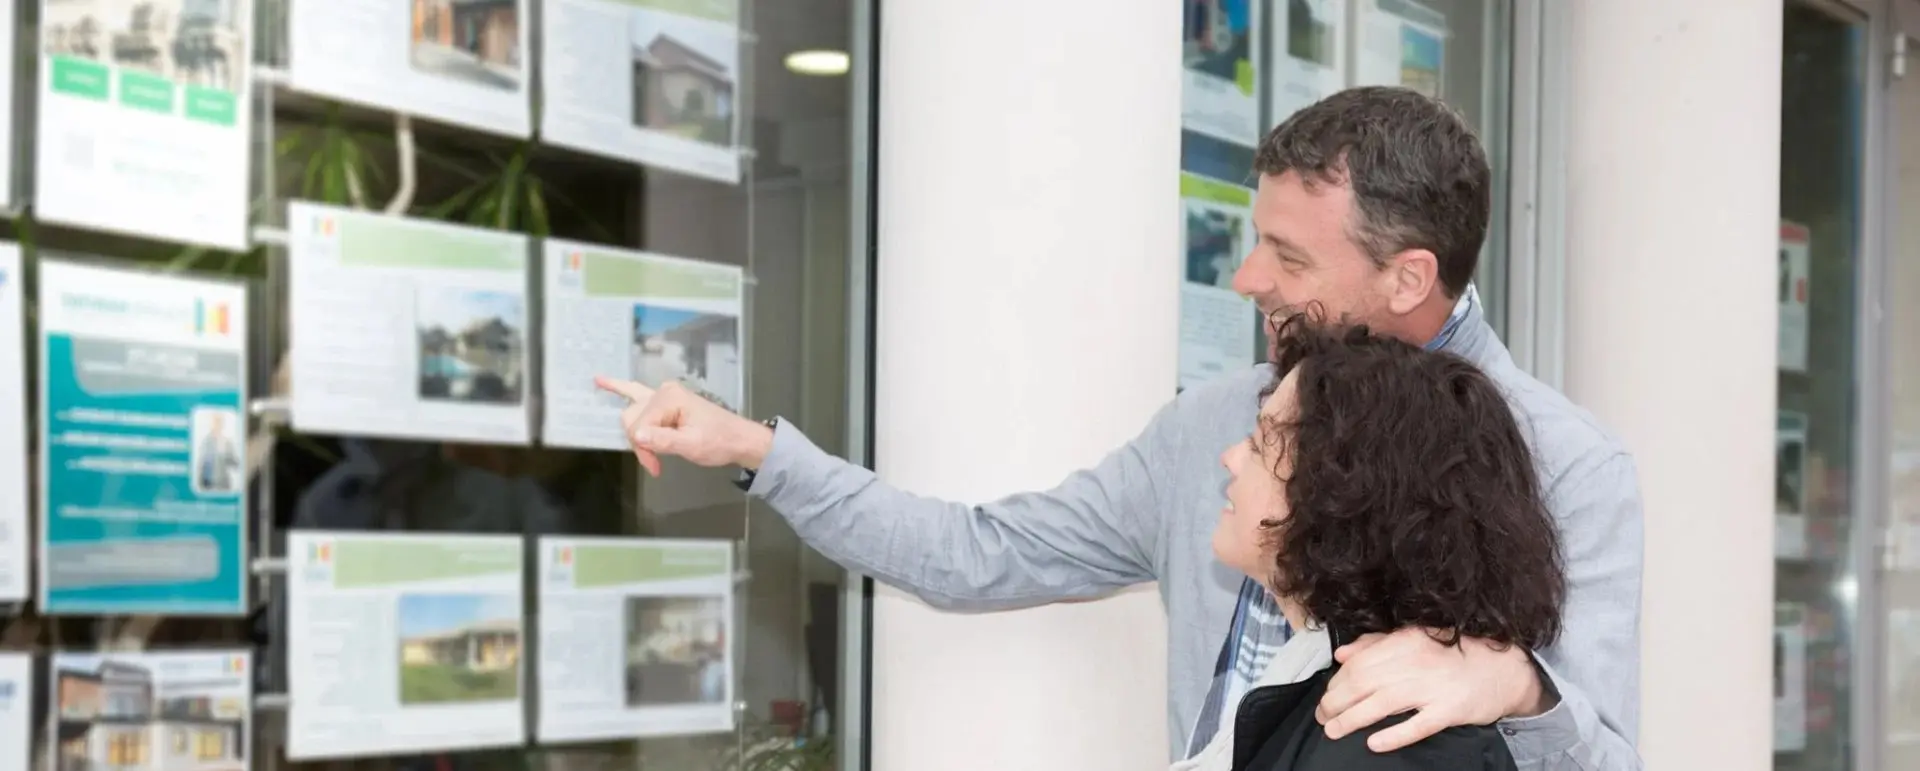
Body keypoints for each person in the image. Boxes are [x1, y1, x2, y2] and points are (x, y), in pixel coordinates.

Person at [595, 85, 1644, 769]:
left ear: (1409, 275)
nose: (1246, 281)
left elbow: (1605, 755)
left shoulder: (1571, 466)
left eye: (1288, 258)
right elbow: (979, 554)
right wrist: (759, 454)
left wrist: (1515, 682)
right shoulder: (1216, 424)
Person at [1177, 313, 1565, 771]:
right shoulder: (1330, 684)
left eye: (1261, 445)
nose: (1230, 459)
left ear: (1340, 499)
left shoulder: (1379, 741)